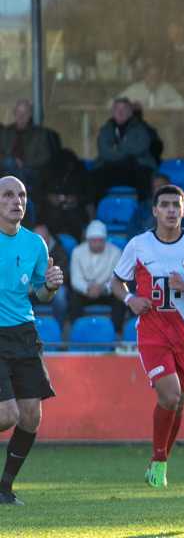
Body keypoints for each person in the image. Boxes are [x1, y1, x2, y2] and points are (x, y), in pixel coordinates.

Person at [110, 183, 184, 488]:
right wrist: (130, 300)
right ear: (155, 210)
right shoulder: (139, 245)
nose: (171, 210)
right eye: (166, 205)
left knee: (180, 404)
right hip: (152, 332)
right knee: (170, 396)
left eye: (177, 205)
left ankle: (158, 461)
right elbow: (116, 283)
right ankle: (159, 464)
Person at [0, 176, 64, 505]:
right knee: (6, 415)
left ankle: (4, 490)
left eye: (22, 195)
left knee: (30, 416)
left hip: (24, 333)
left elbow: (39, 293)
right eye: (8, 194)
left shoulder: (35, 244)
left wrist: (50, 285)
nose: (17, 200)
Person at [91, 97, 157, 202]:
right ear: (112, 112)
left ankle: (142, 214)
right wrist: (128, 151)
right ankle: (100, 213)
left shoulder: (140, 128)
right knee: (96, 176)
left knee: (145, 175)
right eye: (117, 109)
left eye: (124, 109)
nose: (120, 112)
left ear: (130, 113)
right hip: (111, 168)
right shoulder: (105, 130)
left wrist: (118, 147)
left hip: (134, 168)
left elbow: (140, 148)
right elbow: (104, 152)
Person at [68, 220, 126, 335]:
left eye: (101, 240)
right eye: (94, 240)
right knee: (73, 296)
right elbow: (76, 279)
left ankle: (117, 332)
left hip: (107, 291)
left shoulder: (116, 252)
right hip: (86, 291)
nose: (98, 244)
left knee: (120, 297)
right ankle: (77, 331)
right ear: (88, 240)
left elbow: (118, 279)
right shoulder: (77, 252)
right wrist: (87, 288)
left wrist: (103, 288)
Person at [33, 149, 94, 242]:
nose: (70, 167)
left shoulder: (80, 170)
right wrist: (48, 197)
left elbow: (91, 194)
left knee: (75, 218)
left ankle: (75, 244)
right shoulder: (48, 170)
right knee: (52, 217)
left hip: (75, 210)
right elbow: (35, 193)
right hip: (51, 209)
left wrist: (76, 198)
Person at [0, 99, 61, 185]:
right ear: (14, 113)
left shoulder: (39, 133)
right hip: (6, 169)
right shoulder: (5, 132)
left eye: (25, 112)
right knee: (10, 165)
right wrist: (13, 162)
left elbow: (44, 156)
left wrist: (23, 164)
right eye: (19, 112)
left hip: (29, 170)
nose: (21, 115)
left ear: (30, 114)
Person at [29, 225, 69, 327]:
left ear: (48, 238)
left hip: (52, 289)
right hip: (32, 290)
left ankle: (58, 328)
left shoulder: (59, 251)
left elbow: (62, 276)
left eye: (43, 238)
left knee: (61, 295)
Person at [117, 63, 184, 110]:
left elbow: (182, 104)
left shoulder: (166, 88)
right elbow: (112, 104)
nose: (152, 78)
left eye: (155, 75)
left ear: (159, 76)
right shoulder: (134, 89)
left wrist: (160, 106)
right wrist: (135, 105)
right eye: (149, 75)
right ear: (144, 75)